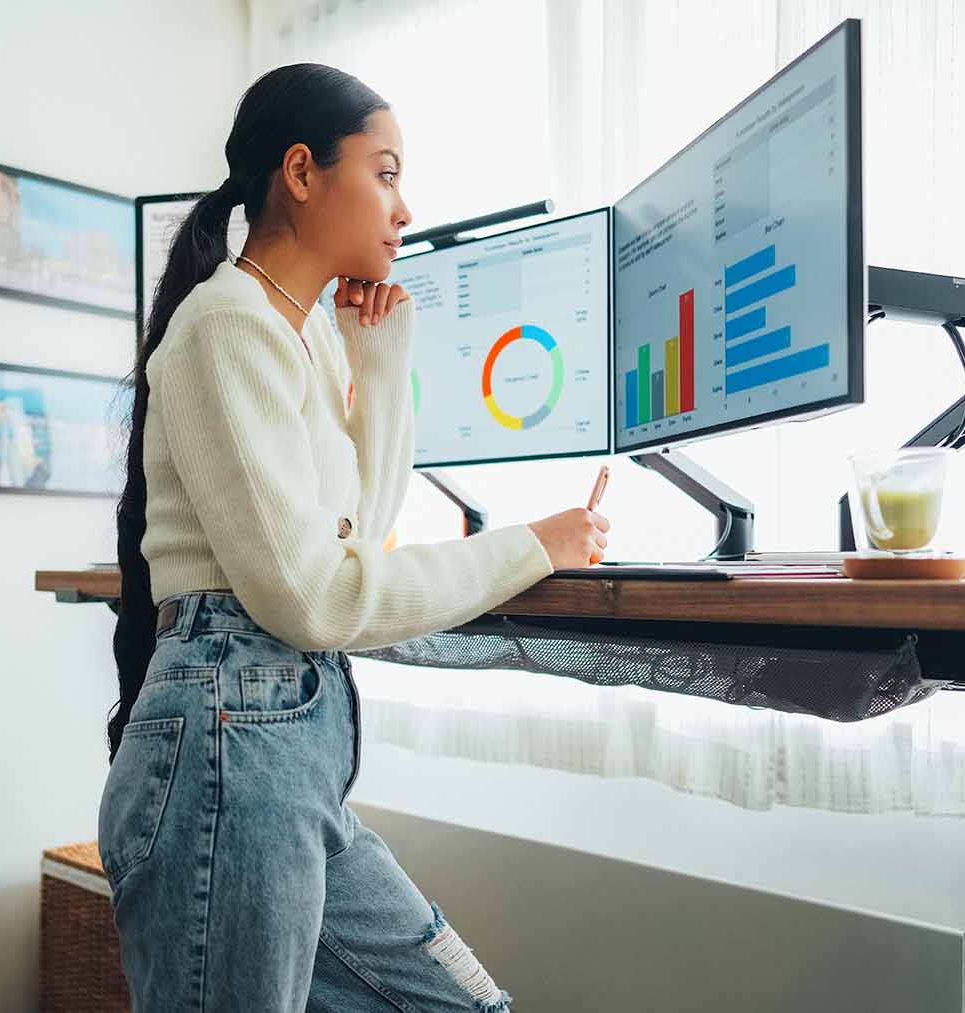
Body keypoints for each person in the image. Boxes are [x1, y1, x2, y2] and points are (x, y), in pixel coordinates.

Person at [99, 62, 611, 1012]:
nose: (404, 208)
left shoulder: (301, 334)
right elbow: (321, 596)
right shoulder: (226, 324)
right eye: (384, 173)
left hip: (282, 752)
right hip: (230, 741)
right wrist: (534, 544)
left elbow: (359, 543)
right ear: (301, 172)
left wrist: (378, 357)